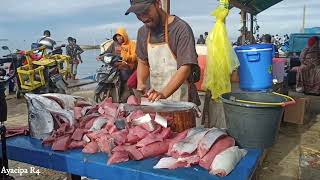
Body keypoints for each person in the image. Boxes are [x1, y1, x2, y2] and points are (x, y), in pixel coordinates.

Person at [125, 0, 201, 104]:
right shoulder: (142, 32)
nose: (143, 17)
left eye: (145, 11)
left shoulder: (180, 29)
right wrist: (141, 83)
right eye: (138, 14)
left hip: (181, 100)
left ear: (158, 3)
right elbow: (143, 61)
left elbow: (185, 68)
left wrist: (163, 94)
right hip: (156, 99)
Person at [97, 27, 137, 102]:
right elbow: (107, 52)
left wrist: (127, 58)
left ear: (124, 35)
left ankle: (125, 91)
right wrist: (101, 56)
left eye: (120, 35)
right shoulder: (114, 44)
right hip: (115, 64)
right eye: (118, 36)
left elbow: (135, 55)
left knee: (124, 75)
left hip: (128, 65)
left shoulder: (131, 44)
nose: (119, 37)